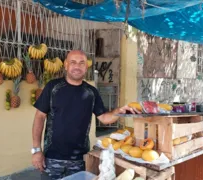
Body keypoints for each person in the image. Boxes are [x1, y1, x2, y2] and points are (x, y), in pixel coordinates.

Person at [31, 50, 140, 179]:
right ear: (66, 65)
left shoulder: (91, 92)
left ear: (86, 67)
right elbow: (39, 117)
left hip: (80, 159)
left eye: (81, 63)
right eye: (73, 62)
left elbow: (104, 118)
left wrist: (118, 112)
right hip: (52, 158)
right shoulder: (53, 87)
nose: (77, 66)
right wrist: (36, 150)